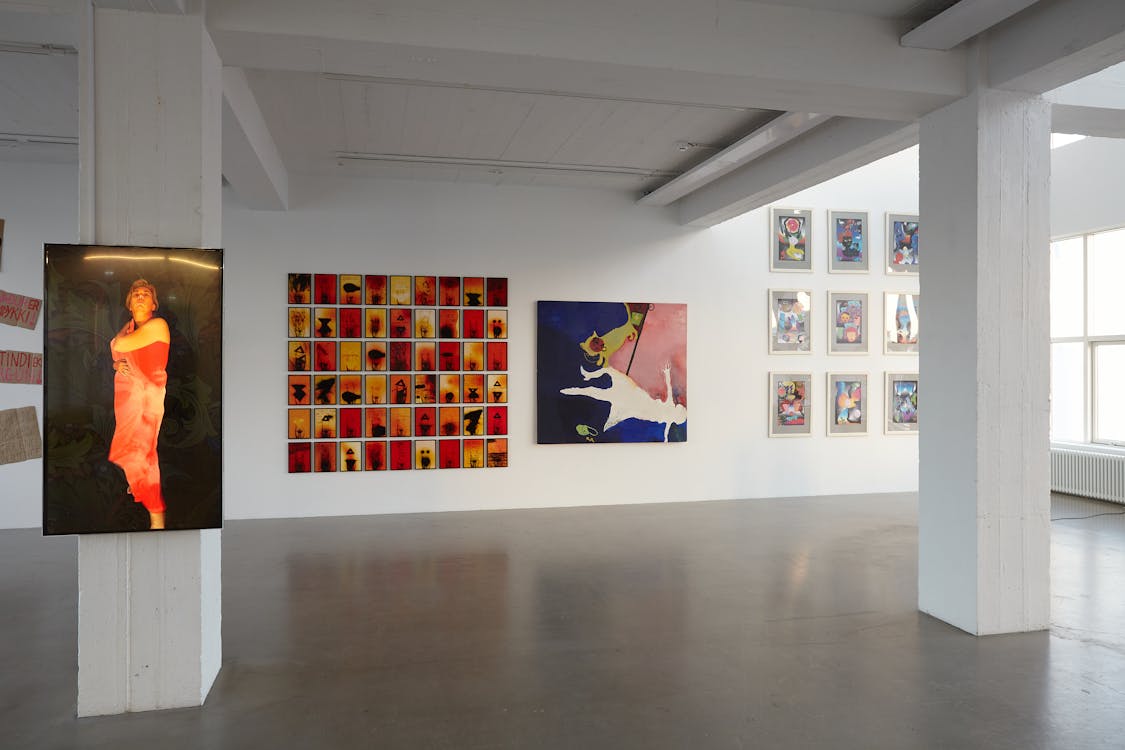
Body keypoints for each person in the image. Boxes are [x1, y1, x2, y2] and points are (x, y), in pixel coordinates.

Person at [109, 279, 171, 530]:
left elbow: (119, 345)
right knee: (132, 453)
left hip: (147, 401)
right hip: (127, 401)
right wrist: (116, 364)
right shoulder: (129, 329)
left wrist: (118, 343)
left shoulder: (158, 325)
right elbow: (118, 356)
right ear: (130, 304)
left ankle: (157, 522)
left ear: (154, 304)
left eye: (146, 294)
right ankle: (140, 489)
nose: (141, 296)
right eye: (136, 294)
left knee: (144, 456)